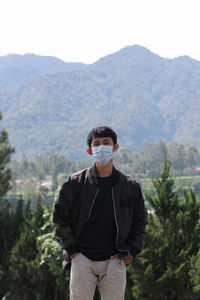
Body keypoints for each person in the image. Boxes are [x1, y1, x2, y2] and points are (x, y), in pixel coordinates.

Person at [53, 125, 148, 300]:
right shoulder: (74, 184)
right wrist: (73, 251)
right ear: (90, 150)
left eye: (106, 143)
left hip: (115, 260)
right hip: (82, 258)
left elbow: (140, 221)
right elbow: (60, 219)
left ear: (115, 147)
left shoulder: (130, 186)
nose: (101, 148)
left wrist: (132, 251)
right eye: (97, 144)